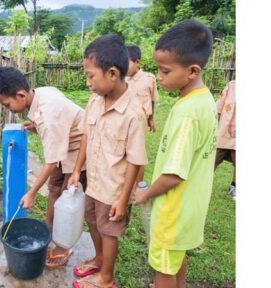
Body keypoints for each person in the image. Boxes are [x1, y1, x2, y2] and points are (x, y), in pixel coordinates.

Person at [133, 20, 217, 288]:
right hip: (191, 207)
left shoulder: (187, 114)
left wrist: (145, 193)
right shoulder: (204, 100)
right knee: (175, 259)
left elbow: (173, 174)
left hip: (172, 209)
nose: (159, 77)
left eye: (165, 71)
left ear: (192, 71)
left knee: (163, 268)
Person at [68, 34, 148, 288]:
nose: (88, 82)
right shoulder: (94, 101)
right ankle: (99, 259)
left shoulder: (134, 114)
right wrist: (76, 170)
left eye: (91, 76)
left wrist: (123, 199)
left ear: (112, 73)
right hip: (94, 181)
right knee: (93, 222)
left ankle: (106, 278)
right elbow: (86, 136)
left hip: (114, 189)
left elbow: (136, 161)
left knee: (109, 231)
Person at [0, 66, 87, 269]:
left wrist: (31, 193)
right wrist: (35, 126)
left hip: (81, 150)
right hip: (65, 145)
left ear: (21, 94)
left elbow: (50, 162)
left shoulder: (48, 117)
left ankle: (63, 246)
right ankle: (49, 230)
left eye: (7, 105)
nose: (8, 109)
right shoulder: (41, 93)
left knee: (68, 199)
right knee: (54, 189)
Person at [126, 44, 160, 187]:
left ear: (137, 62)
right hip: (124, 121)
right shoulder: (121, 79)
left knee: (138, 153)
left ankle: (139, 184)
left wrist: (151, 119)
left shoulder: (149, 79)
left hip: (141, 123)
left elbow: (152, 100)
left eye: (126, 63)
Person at [215, 80, 236, 200]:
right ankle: (203, 183)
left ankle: (234, 186)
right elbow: (219, 107)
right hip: (223, 133)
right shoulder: (232, 86)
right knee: (213, 160)